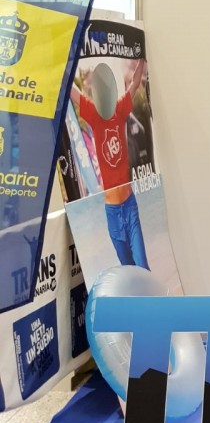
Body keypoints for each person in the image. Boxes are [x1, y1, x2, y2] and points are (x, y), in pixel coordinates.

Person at [69, 59, 150, 270]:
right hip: (112, 212)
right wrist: (63, 66)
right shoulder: (94, 115)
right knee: (127, 268)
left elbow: (134, 84)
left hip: (129, 206)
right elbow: (74, 93)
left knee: (142, 265)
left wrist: (141, 57)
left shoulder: (120, 110)